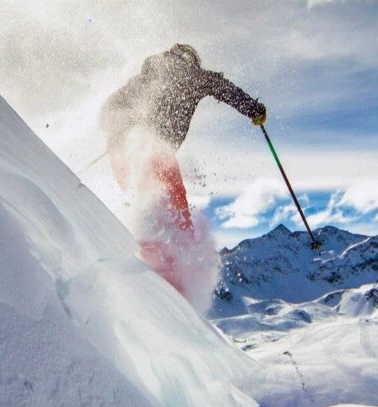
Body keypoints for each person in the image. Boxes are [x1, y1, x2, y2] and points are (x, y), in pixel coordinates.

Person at [100, 43, 266, 299]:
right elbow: (223, 87)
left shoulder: (146, 76)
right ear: (191, 61)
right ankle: (172, 272)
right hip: (152, 148)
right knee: (173, 206)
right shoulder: (192, 75)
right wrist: (253, 109)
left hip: (121, 152)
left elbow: (109, 109)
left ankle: (143, 254)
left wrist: (119, 129)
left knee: (143, 200)